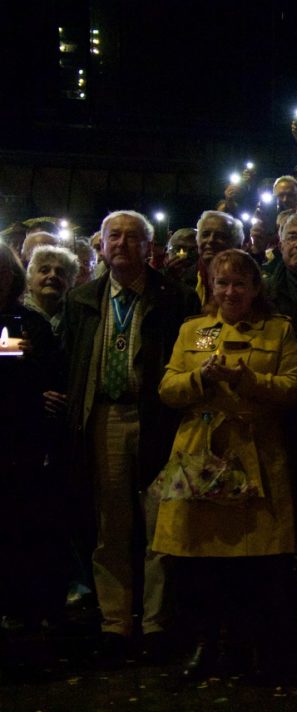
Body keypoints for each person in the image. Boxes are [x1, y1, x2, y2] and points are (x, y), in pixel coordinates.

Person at [154, 249, 297, 679]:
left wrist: (246, 380)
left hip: (256, 453)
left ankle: (249, 644)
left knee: (253, 562)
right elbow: (167, 387)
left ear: (256, 288)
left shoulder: (278, 331)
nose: (230, 291)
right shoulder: (194, 330)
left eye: (240, 283)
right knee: (200, 560)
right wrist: (201, 377)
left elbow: (294, 387)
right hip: (200, 454)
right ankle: (206, 643)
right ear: (210, 287)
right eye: (222, 283)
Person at [61, 210, 200, 662]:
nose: (121, 244)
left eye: (132, 237)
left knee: (160, 523)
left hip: (158, 420)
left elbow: (196, 353)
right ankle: (115, 623)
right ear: (100, 244)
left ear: (149, 246)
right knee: (111, 525)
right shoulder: (82, 299)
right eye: (112, 236)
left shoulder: (176, 298)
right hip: (103, 416)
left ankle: (158, 622)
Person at [0, 244, 66, 651]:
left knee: (17, 529)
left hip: (19, 444)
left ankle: (22, 612)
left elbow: (45, 373)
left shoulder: (30, 324)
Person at [23, 244, 79, 334]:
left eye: (60, 272)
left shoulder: (77, 318)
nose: (53, 275)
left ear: (70, 283)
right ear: (29, 280)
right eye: (44, 270)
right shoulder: (16, 315)